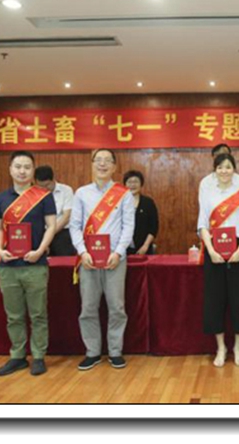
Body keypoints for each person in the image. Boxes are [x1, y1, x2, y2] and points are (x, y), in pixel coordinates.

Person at [0, 151, 57, 376]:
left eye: (27, 167)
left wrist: (40, 250)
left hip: (35, 265)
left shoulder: (43, 196)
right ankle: (17, 356)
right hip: (8, 266)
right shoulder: (1, 198)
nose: (22, 171)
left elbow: (51, 226)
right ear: (10, 169)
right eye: (18, 166)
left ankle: (38, 356)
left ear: (33, 170)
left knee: (38, 314)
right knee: (14, 316)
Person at [70, 149, 135, 371]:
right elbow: (74, 226)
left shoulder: (123, 194)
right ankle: (93, 352)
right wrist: (82, 252)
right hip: (88, 260)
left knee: (117, 307)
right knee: (88, 308)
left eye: (107, 161)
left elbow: (128, 226)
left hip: (115, 259)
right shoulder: (81, 193)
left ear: (114, 166)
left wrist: (118, 252)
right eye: (98, 160)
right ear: (92, 164)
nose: (102, 164)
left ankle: (115, 351)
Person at [197, 153, 239, 367]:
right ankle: (221, 347)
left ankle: (238, 347)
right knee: (215, 299)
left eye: (228, 167)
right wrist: (211, 250)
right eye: (220, 167)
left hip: (238, 249)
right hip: (214, 250)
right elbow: (202, 225)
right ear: (215, 171)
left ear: (234, 170)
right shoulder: (208, 194)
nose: (224, 171)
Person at [34, 165, 76, 256]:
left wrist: (50, 234)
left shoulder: (66, 190)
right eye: (41, 186)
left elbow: (66, 217)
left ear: (53, 179)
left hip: (61, 231)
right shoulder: (33, 193)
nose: (44, 189)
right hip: (41, 233)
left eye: (47, 185)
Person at [123, 170, 159, 255]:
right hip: (123, 249)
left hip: (144, 248)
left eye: (136, 182)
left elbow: (153, 227)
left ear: (141, 184)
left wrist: (145, 246)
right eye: (129, 182)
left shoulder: (148, 203)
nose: (132, 185)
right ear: (125, 184)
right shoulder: (120, 203)